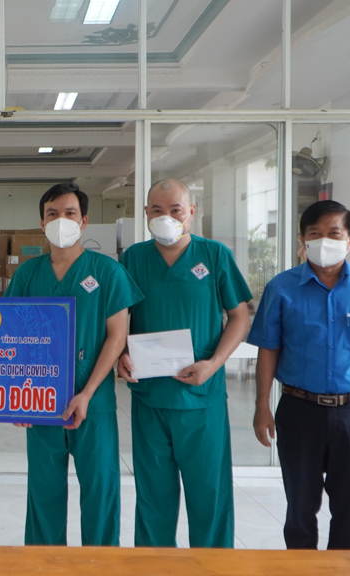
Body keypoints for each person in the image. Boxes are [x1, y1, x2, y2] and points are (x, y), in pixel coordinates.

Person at [247, 200, 350, 550]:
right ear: (303, 240)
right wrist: (262, 406)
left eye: (333, 233)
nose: (324, 241)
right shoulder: (282, 288)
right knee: (300, 512)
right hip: (298, 410)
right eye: (315, 234)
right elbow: (268, 349)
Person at [3, 183, 141, 546]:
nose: (60, 220)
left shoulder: (106, 272)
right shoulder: (27, 275)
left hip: (92, 403)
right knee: (43, 493)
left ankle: (100, 565)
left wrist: (87, 392)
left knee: (100, 490)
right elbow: (9, 338)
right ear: (41, 221)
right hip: (40, 401)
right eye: (52, 214)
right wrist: (15, 396)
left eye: (69, 213)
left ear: (84, 221)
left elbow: (116, 336)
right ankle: (45, 565)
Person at [116, 178, 252, 549]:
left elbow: (240, 317)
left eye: (175, 209)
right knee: (153, 499)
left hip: (201, 398)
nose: (166, 218)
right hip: (150, 398)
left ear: (191, 212)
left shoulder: (214, 255)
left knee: (209, 495)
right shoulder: (133, 259)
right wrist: (120, 356)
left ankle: (212, 567)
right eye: (157, 210)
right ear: (146, 214)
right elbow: (118, 319)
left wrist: (213, 363)